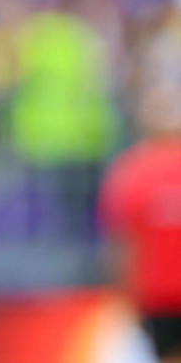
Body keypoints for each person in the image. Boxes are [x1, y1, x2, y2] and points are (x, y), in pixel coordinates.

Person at [98, 82, 181, 363]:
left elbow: (121, 247)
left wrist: (123, 297)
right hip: (158, 297)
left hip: (156, 298)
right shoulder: (132, 172)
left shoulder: (131, 172)